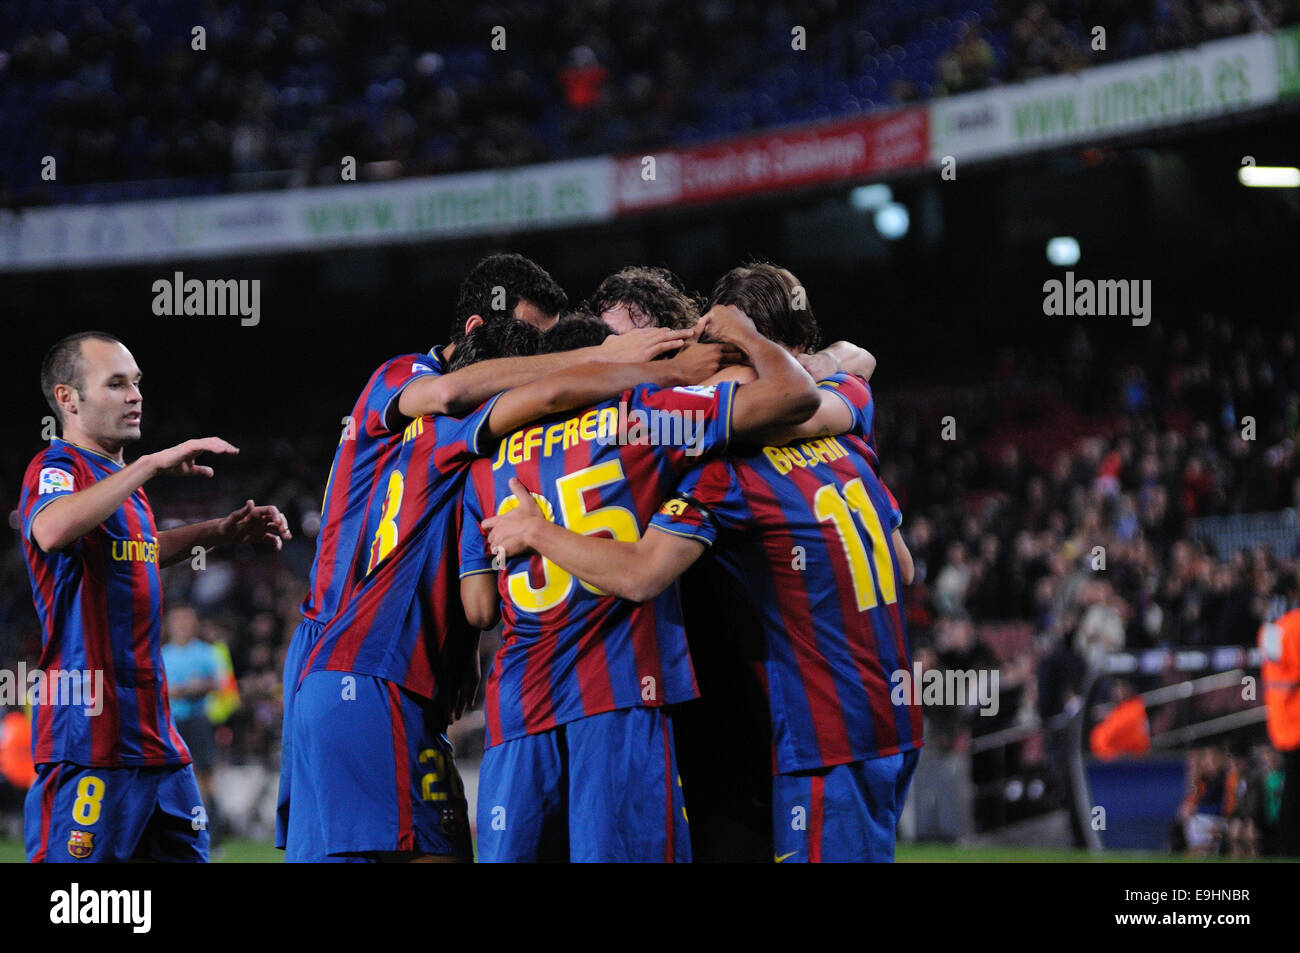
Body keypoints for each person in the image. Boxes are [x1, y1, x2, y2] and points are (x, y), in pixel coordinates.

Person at [483, 268, 920, 862]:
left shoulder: (711, 466)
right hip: (884, 714)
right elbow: (901, 566)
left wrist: (537, 530)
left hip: (807, 731)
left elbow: (641, 574)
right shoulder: (850, 423)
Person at [276, 251, 694, 853]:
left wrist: (463, 649)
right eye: (527, 342)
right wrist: (604, 356)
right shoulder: (408, 384)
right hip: (360, 660)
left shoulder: (479, 446)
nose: (534, 362)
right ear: (477, 329)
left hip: (376, 671)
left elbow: (463, 581)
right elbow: (459, 393)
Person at [461, 301, 822, 863]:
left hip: (519, 708)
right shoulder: (644, 417)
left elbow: (477, 606)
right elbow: (796, 396)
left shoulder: (485, 464)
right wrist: (752, 339)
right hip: (620, 694)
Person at [19, 331, 290, 863]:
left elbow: (138, 549)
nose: (134, 395)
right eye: (116, 383)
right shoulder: (58, 468)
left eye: (136, 383)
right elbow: (50, 530)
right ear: (68, 399)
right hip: (89, 738)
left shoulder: (121, 484)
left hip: (155, 739)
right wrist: (148, 466)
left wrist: (218, 531)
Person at [160, 606, 221, 842]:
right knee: (174, 777)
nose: (183, 625)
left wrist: (197, 687)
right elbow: (159, 690)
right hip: (171, 724)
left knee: (206, 778)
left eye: (187, 620)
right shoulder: (163, 654)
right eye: (178, 620)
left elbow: (216, 683)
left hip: (198, 721)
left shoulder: (205, 652)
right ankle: (178, 831)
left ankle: (213, 835)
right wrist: (181, 689)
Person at [1260, 604, 1300, 855]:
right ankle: (1290, 844)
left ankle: (1287, 844)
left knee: (1293, 787)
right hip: (1296, 720)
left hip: (1281, 722)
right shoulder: (1296, 627)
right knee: (1294, 789)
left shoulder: (1275, 629)